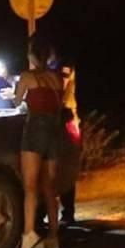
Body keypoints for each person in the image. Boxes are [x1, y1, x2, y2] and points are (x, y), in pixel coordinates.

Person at [13, 38, 68, 248]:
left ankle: (29, 234)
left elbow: (16, 102)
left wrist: (19, 93)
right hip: (54, 133)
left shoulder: (27, 76)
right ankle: (54, 236)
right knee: (50, 187)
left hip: (35, 131)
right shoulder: (56, 79)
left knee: (30, 186)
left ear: (31, 55)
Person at [48, 47, 81, 228]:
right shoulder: (48, 67)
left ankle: (68, 212)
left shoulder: (63, 66)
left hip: (66, 119)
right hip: (54, 120)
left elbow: (60, 87)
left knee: (66, 165)